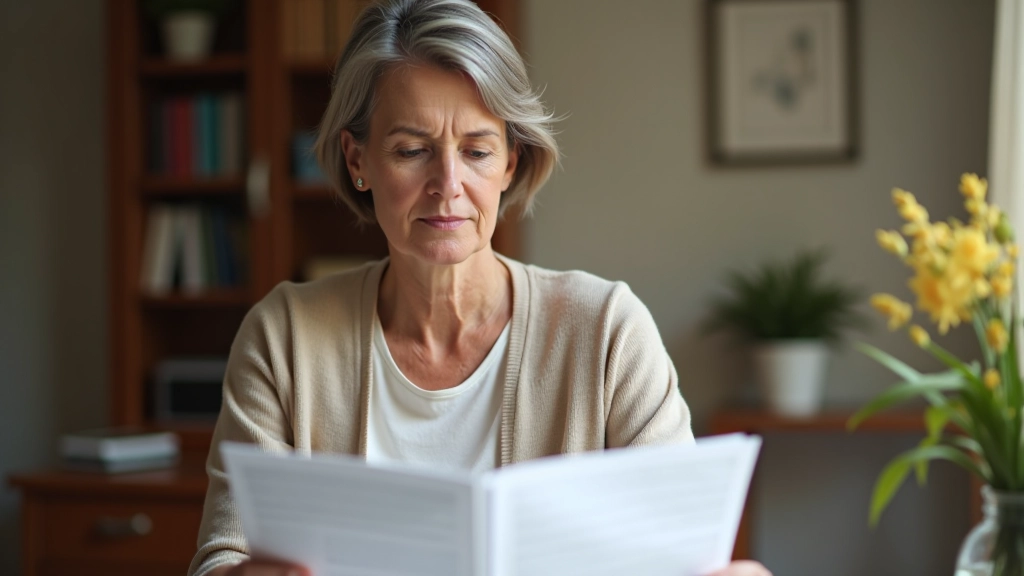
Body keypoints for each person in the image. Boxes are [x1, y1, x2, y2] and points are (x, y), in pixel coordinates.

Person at [187, 1, 771, 575]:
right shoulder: (284, 337)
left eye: (476, 151)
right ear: (357, 158)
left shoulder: (607, 330)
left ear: (511, 164)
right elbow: (223, 556)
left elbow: (678, 553)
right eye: (411, 150)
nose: (448, 185)